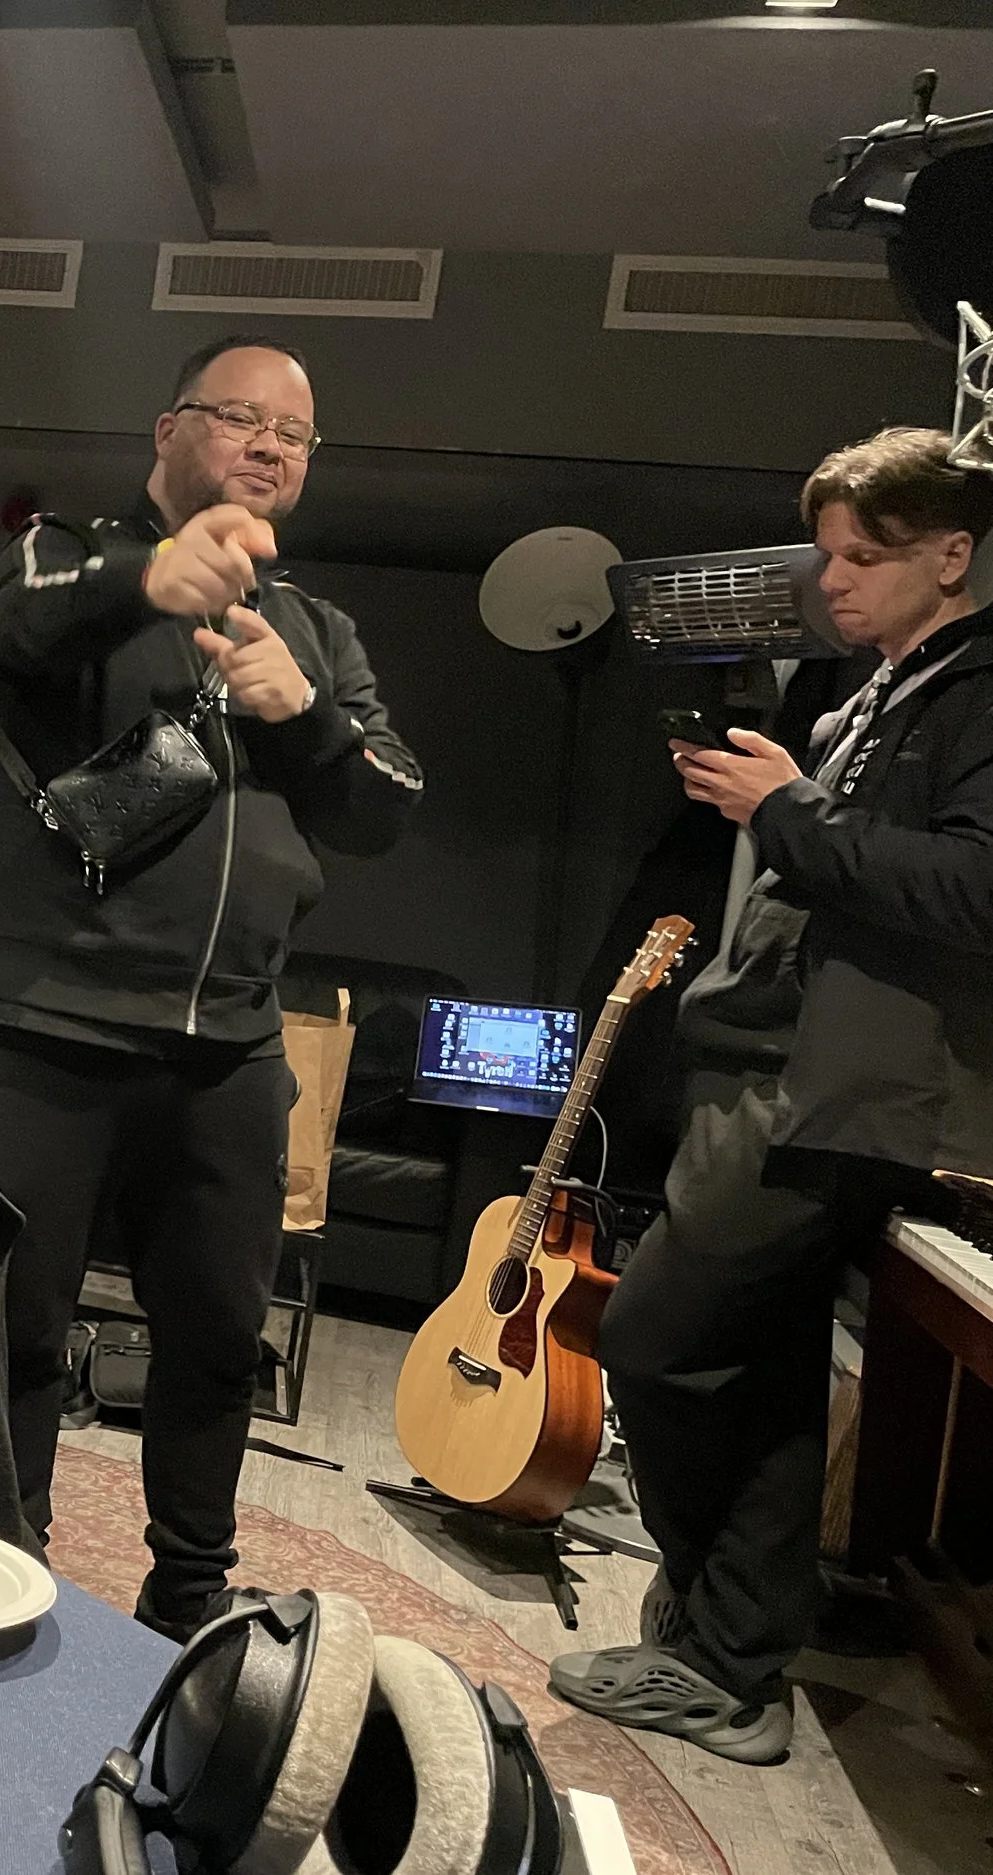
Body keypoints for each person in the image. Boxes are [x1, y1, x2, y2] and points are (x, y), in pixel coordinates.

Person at [0, 336, 423, 1640]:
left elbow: (384, 810)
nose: (270, 444)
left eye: (296, 432)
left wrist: (305, 714)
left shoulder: (318, 632)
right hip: (51, 1023)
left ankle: (188, 1602)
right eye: (241, 417)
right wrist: (147, 580)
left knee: (220, 1342)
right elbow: (14, 629)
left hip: (231, 1046)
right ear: (170, 430)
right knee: (14, 1332)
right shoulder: (66, 553)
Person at [553, 427, 993, 1763]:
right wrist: (770, 802)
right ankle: (734, 1647)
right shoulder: (885, 690)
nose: (833, 580)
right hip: (783, 1072)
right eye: (828, 553)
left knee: (653, 1339)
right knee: (762, 1366)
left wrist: (787, 810)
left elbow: (974, 889)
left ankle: (723, 1643)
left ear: (953, 555)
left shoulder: (977, 690)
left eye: (864, 556)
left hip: (833, 1092)